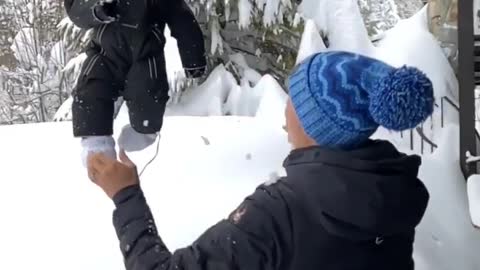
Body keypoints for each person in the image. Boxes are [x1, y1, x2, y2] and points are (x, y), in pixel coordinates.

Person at [87, 51, 434, 270]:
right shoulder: (392, 192)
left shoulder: (280, 213)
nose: (285, 117)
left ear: (316, 123)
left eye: (294, 102)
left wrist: (125, 195)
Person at [64, 0, 207, 166]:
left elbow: (183, 20)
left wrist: (193, 59)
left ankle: (144, 132)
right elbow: (76, 12)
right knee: (92, 90)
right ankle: (97, 146)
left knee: (147, 92)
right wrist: (96, 10)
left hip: (145, 54)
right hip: (105, 53)